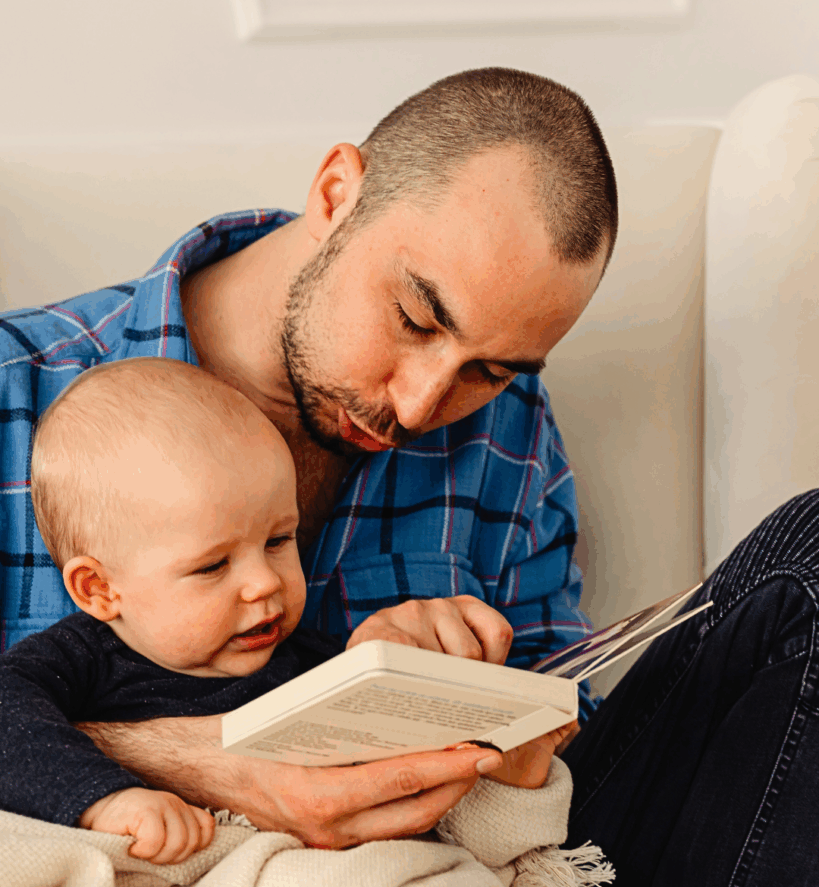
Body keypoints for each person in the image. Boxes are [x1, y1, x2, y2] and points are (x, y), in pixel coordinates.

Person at [0, 68, 614, 845]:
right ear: (335, 194)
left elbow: (574, 712)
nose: (421, 406)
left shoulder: (509, 425)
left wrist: (464, 687)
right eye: (416, 317)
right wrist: (193, 758)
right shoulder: (15, 390)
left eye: (489, 370)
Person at [0, 356, 520, 864]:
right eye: (212, 566)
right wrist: (105, 799)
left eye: (278, 540)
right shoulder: (80, 658)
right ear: (99, 589)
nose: (264, 583)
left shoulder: (315, 663)